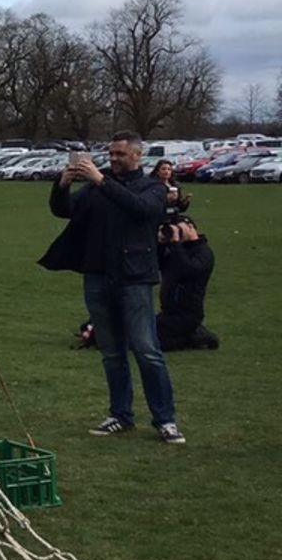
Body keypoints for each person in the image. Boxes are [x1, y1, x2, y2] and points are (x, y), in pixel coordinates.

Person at [38, 133, 183, 443]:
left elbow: (141, 210)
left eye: (120, 154)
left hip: (135, 277)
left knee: (146, 350)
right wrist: (63, 184)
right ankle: (120, 414)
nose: (113, 159)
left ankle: (165, 418)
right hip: (98, 275)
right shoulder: (94, 188)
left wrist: (101, 181)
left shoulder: (153, 188)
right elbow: (63, 210)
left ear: (137, 156)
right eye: (111, 153)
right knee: (111, 352)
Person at [157, 219, 219, 350]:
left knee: (153, 342)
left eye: (180, 229)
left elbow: (189, 271)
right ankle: (192, 335)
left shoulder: (203, 252)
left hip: (187, 315)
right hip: (169, 313)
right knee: (140, 332)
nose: (177, 233)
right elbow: (154, 265)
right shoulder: (175, 251)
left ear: (191, 227)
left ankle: (196, 338)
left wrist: (175, 244)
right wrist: (161, 245)